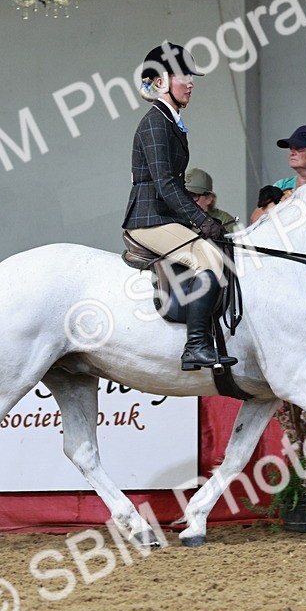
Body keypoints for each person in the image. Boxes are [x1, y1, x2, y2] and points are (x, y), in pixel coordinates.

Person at [122, 42, 236, 371]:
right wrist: (202, 219)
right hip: (148, 219)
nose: (190, 83)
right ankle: (195, 346)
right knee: (209, 261)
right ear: (162, 81)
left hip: (164, 216)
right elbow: (165, 184)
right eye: (183, 76)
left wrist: (202, 222)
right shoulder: (155, 123)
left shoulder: (170, 121)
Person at [248, 125, 306, 224]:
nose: (292, 153)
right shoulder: (282, 186)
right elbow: (254, 220)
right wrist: (279, 205)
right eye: (291, 148)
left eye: (299, 148)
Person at [184, 168, 239, 233]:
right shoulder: (176, 219)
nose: (187, 201)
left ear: (209, 199)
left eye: (193, 196)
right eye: (184, 195)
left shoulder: (225, 220)